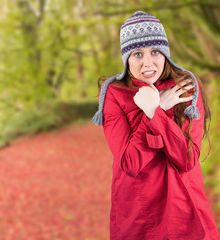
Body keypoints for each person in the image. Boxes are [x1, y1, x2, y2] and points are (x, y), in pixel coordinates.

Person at [92, 11, 219, 239]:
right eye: (137, 54)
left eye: (155, 52)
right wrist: (157, 110)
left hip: (183, 205)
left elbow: (187, 159)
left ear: (166, 53)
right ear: (126, 59)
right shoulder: (114, 94)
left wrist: (153, 111)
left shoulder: (186, 88)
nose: (147, 62)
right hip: (139, 212)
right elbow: (129, 163)